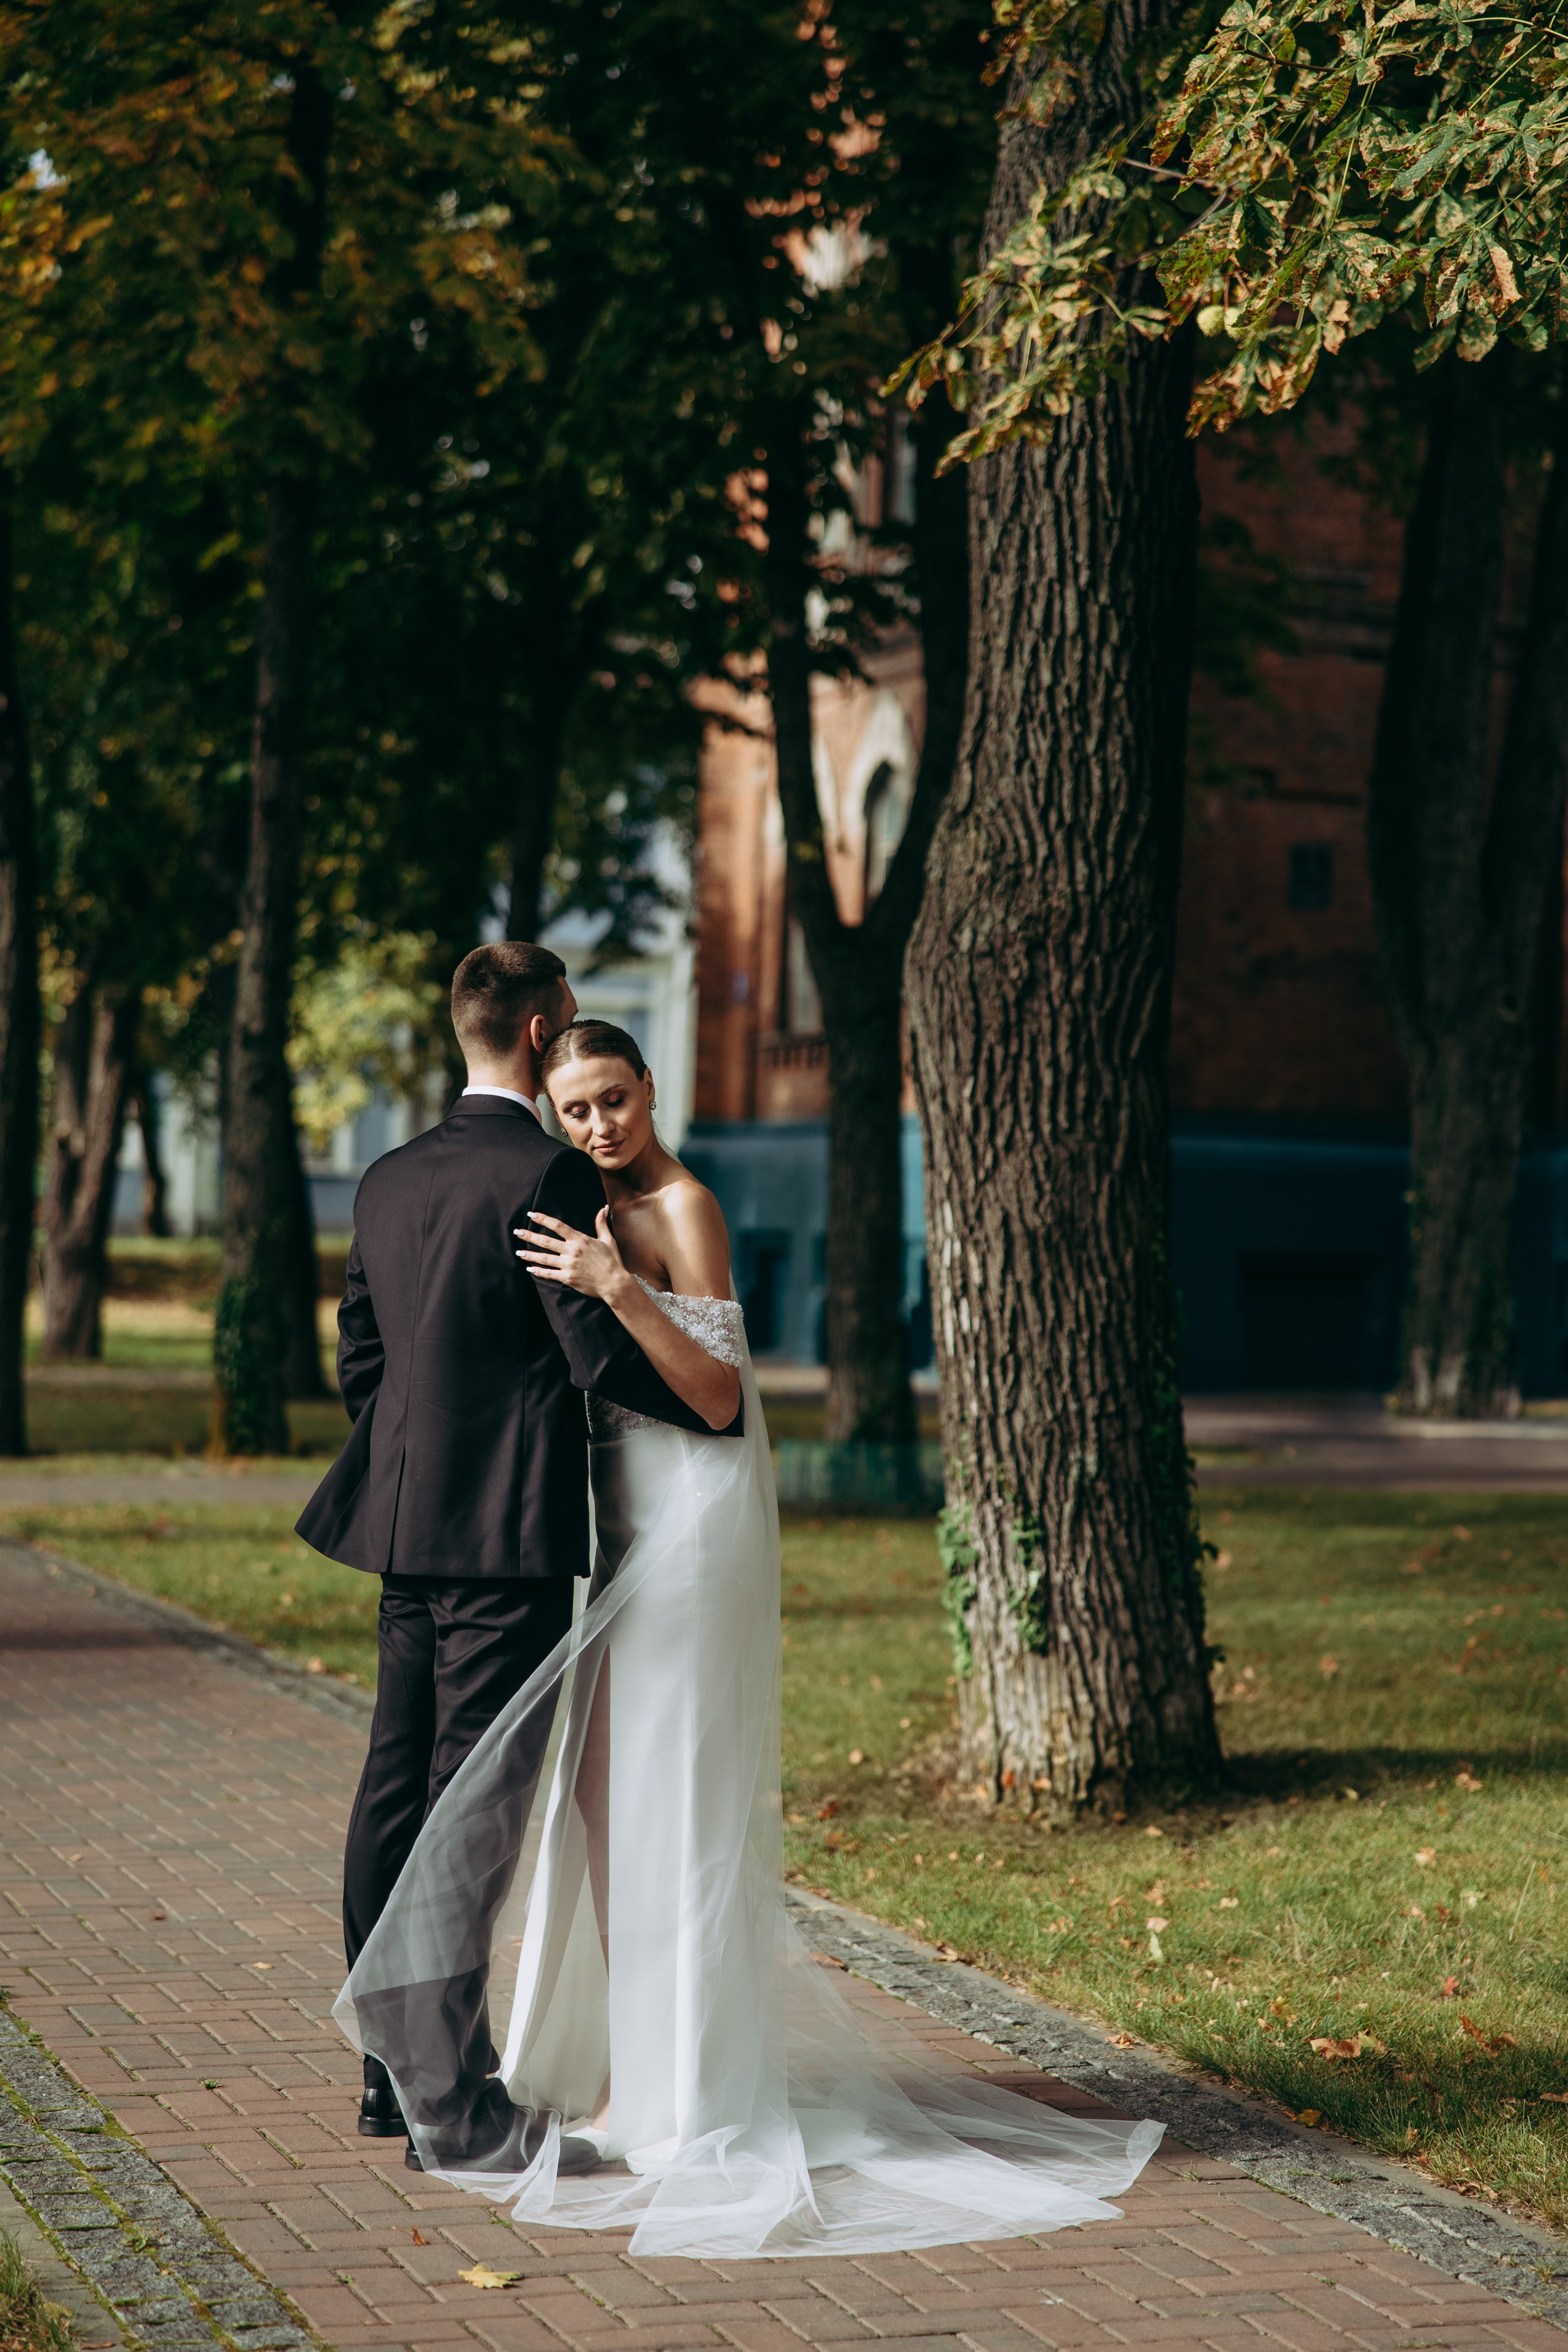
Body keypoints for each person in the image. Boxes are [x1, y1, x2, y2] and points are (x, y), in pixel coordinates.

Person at [335, 1016, 1162, 2255]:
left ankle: (682, 2092)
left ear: (649, 1089)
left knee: (663, 1791)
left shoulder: (682, 1206)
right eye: (575, 1110)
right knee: (598, 1806)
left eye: (614, 1099)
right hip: (616, 1530)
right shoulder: (573, 1206)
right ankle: (608, 2064)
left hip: (688, 1526)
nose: (598, 1126)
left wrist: (615, 1288)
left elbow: (719, 1397)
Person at [296, 950, 741, 2173]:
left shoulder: (385, 1177)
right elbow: (592, 1356)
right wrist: (713, 1408)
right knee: (470, 1806)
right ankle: (455, 2110)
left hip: (401, 1530)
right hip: (508, 1538)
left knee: (395, 1791)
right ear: (544, 1033)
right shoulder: (544, 1169)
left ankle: (390, 2080)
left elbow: (360, 1365)